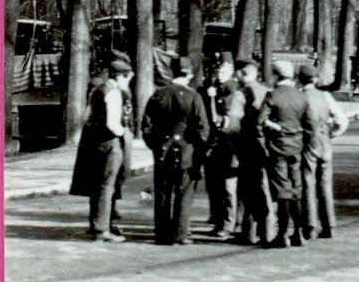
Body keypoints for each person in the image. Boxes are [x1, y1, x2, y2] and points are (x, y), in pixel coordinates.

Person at [142, 56, 210, 245]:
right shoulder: (193, 96)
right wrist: (198, 149)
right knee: (184, 193)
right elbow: (203, 128)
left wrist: (156, 146)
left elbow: (147, 126)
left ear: (172, 72)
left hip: (163, 152)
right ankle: (180, 233)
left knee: (163, 192)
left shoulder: (159, 94)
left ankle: (162, 234)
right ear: (188, 74)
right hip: (187, 152)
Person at [69, 57, 134, 242]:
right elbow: (113, 124)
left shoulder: (97, 90)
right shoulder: (114, 93)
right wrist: (123, 133)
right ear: (120, 76)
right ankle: (102, 229)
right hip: (110, 143)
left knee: (97, 185)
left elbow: (87, 116)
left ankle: (97, 224)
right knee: (107, 186)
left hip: (95, 143)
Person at [260, 60, 319, 248]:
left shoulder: (273, 95)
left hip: (277, 147)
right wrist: (307, 146)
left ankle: (282, 234)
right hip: (297, 147)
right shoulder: (302, 97)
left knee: (282, 190)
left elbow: (260, 120)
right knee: (296, 189)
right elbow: (311, 126)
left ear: (276, 76)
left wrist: (272, 128)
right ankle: (298, 233)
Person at [297, 64, 349, 240]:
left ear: (299, 79)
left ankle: (309, 225)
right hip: (324, 141)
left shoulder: (300, 97)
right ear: (316, 79)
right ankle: (329, 225)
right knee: (325, 184)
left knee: (307, 182)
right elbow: (342, 120)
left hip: (308, 142)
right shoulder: (325, 96)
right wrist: (332, 134)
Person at [232, 59, 275, 245]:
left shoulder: (240, 94)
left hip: (247, 146)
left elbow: (233, 125)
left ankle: (248, 232)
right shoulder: (267, 91)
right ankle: (268, 232)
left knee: (247, 190)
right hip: (267, 146)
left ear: (242, 74)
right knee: (264, 188)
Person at [203, 55, 243, 237]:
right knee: (215, 185)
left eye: (223, 72)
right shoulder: (216, 88)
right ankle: (220, 220)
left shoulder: (231, 91)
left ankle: (228, 223)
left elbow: (217, 119)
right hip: (216, 143)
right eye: (218, 71)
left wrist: (211, 100)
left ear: (231, 72)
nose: (219, 75)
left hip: (229, 143)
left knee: (228, 187)